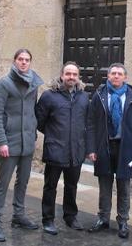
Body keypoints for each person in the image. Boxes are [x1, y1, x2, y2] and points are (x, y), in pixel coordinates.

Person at [0, 49, 44, 243]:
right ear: (14, 61)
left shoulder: (33, 84)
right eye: (20, 59)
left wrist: (33, 132)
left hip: (27, 141)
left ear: (30, 62)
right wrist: (1, 142)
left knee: (23, 182)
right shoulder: (4, 84)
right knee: (2, 184)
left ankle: (18, 216)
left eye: (27, 60)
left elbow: (32, 112)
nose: (23, 63)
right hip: (9, 143)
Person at [86, 63, 132, 239]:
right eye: (113, 73)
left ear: (125, 77)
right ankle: (103, 218)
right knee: (104, 186)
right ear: (108, 76)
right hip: (104, 146)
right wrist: (91, 148)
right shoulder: (99, 96)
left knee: (124, 187)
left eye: (120, 74)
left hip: (126, 148)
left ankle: (123, 221)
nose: (116, 76)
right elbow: (91, 124)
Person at [35, 62, 90, 235]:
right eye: (68, 74)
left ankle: (70, 216)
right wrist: (54, 135)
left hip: (76, 150)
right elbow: (40, 121)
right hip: (56, 149)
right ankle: (48, 219)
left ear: (78, 76)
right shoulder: (49, 96)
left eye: (74, 74)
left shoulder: (83, 97)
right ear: (61, 75)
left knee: (71, 185)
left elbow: (86, 122)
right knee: (50, 186)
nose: (71, 77)